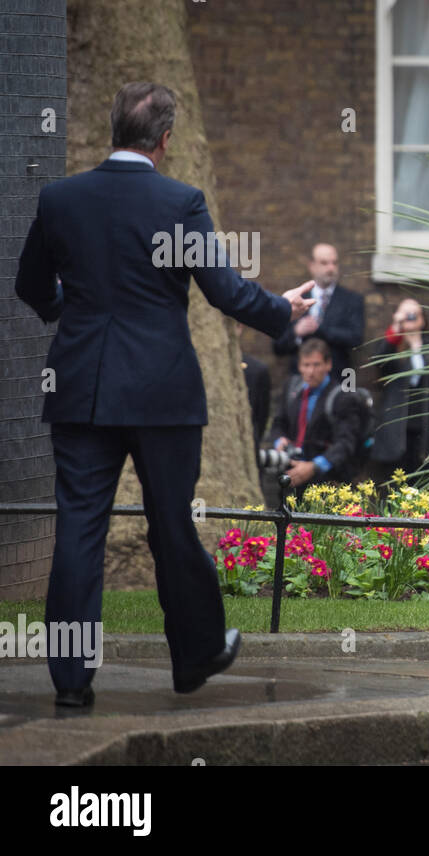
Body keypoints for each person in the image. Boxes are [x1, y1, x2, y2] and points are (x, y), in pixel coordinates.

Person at [14, 81, 315, 706]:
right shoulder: (179, 202)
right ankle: (196, 655)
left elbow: (31, 285)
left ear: (113, 129)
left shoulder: (62, 198)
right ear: (167, 140)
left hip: (80, 391)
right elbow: (228, 293)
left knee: (78, 530)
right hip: (160, 394)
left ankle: (71, 684)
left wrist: (70, 308)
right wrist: (282, 311)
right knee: (172, 525)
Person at [371, 298, 429, 477]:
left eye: (413, 314)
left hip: (425, 424)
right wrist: (396, 328)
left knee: (424, 476)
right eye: (405, 314)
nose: (409, 318)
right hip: (398, 426)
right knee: (396, 480)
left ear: (422, 319)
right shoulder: (392, 346)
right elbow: (379, 361)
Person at [269, 337, 367, 488]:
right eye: (306, 365)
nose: (311, 371)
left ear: (328, 364)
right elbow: (278, 423)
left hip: (327, 480)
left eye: (316, 365)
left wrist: (313, 467)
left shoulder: (343, 397)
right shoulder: (291, 388)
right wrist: (279, 441)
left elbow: (345, 443)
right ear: (299, 366)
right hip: (291, 472)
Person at [272, 242, 364, 384]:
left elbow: (356, 339)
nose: (331, 268)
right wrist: (296, 332)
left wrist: (320, 329)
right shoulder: (295, 297)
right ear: (312, 266)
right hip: (300, 382)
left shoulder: (352, 300)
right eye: (324, 263)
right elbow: (277, 346)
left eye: (334, 263)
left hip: (338, 381)